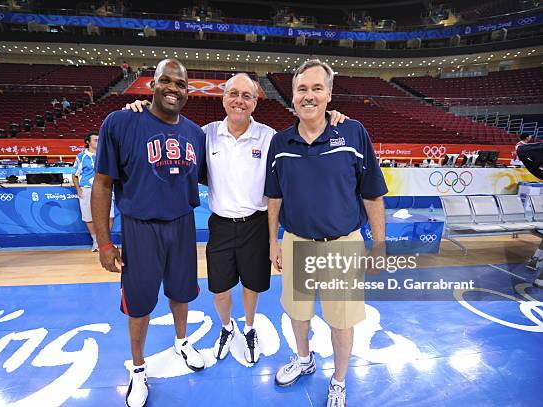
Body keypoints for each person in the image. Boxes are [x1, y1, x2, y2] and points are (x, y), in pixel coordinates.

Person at [127, 74, 347, 364]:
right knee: (219, 288)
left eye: (247, 95)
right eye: (234, 94)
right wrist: (143, 109)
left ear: (255, 102)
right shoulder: (205, 134)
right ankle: (226, 327)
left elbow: (306, 131)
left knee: (252, 285)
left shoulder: (270, 137)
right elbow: (169, 128)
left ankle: (250, 327)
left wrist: (330, 115)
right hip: (220, 224)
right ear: (223, 97)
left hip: (255, 223)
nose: (239, 100)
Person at [265, 60, 387, 407]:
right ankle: (304, 360)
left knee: (341, 320)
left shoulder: (352, 132)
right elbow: (274, 198)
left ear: (329, 94)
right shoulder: (280, 141)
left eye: (317, 88)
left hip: (343, 244)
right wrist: (273, 241)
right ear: (292, 96)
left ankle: (338, 379)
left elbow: (372, 194)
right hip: (297, 242)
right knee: (298, 313)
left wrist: (379, 245)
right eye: (302, 89)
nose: (309, 95)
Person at [91, 58, 207, 407]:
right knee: (139, 304)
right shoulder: (121, 121)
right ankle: (139, 368)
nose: (174, 88)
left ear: (188, 91)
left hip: (182, 224)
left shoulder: (195, 134)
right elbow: (102, 184)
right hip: (139, 228)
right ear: (151, 84)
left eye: (181, 84)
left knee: (182, 292)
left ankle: (182, 341)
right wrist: (105, 242)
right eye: (167, 81)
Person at [72, 132, 115, 252]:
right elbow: (74, 175)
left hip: (105, 189)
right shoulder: (81, 157)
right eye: (96, 140)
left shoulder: (106, 155)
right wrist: (79, 190)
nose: (99, 142)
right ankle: (96, 241)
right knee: (89, 217)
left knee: (110, 216)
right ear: (88, 142)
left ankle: (106, 241)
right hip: (87, 189)